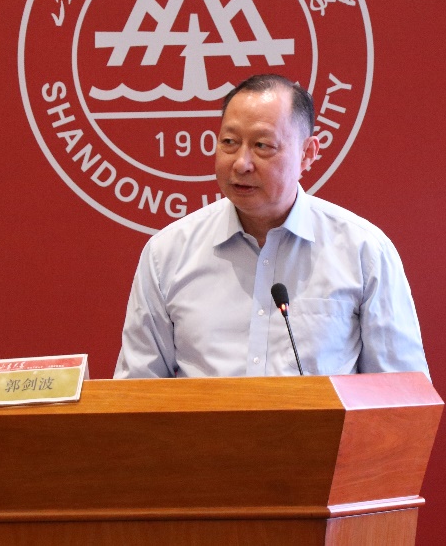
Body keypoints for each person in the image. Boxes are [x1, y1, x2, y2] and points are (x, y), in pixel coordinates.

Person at [113, 74, 428, 378]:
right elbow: (136, 389)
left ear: (307, 154)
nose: (241, 163)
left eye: (262, 145)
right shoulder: (168, 252)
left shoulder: (363, 251)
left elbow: (402, 392)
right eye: (229, 142)